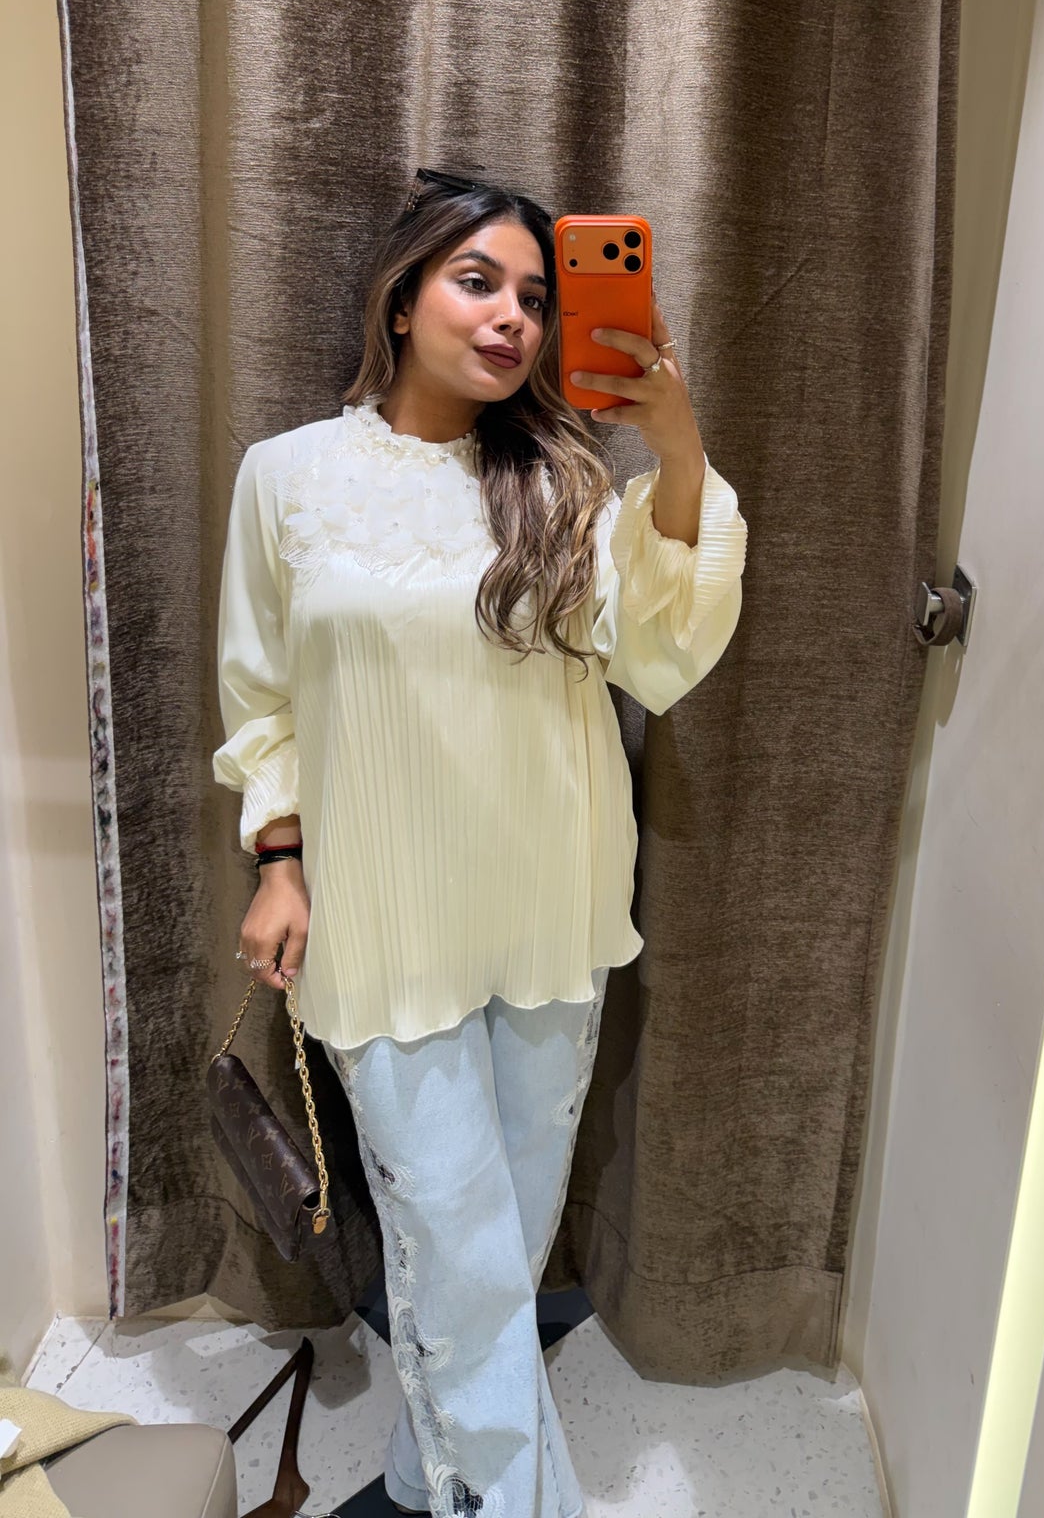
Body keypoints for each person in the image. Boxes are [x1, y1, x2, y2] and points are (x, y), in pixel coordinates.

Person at [211, 169, 748, 1518]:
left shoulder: (568, 485)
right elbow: (260, 696)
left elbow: (665, 654)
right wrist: (279, 859)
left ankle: (425, 1474)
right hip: (384, 920)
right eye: (476, 281)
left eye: (535, 297)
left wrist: (677, 449)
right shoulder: (287, 476)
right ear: (401, 299)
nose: (513, 316)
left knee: (493, 1254)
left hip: (550, 913)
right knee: (454, 1251)